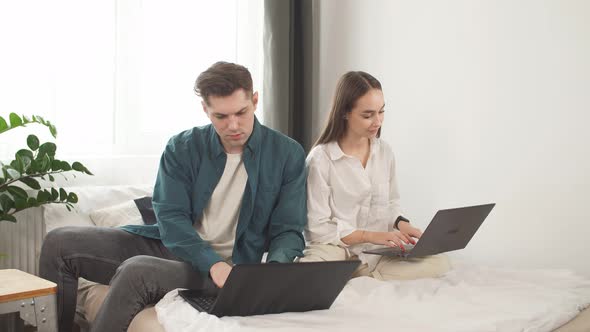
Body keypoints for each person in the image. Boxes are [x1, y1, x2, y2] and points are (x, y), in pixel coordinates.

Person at [40, 61, 307, 332]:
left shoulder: (287, 154)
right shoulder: (182, 147)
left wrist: (272, 275)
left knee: (137, 271)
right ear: (205, 110)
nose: (233, 125)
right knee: (59, 243)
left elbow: (288, 229)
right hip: (182, 251)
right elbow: (170, 218)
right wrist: (210, 261)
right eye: (221, 117)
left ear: (255, 100)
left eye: (241, 112)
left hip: (233, 269)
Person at [300, 71, 450, 280]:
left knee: (441, 262)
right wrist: (371, 235)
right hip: (334, 247)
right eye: (367, 115)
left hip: (375, 252)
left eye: (381, 112)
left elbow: (391, 203)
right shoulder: (320, 159)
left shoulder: (384, 152)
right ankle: (360, 273)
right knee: (306, 275)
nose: (377, 121)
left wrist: (404, 226)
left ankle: (361, 274)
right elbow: (317, 228)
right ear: (344, 112)